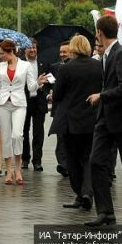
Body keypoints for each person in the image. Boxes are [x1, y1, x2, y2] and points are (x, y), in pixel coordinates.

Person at [85, 15, 122, 228]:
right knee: (96, 162)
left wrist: (101, 96)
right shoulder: (106, 55)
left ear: (99, 32)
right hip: (105, 119)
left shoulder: (121, 54)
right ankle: (106, 212)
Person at [0, 40, 47, 185]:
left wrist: (39, 82)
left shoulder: (25, 65)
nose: (0, 56)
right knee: (6, 138)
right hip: (3, 104)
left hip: (19, 104)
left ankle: (18, 168)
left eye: (2, 53)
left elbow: (30, 87)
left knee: (17, 135)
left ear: (10, 51)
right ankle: (9, 170)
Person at [49, 35, 102, 211]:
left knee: (72, 159)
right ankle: (87, 192)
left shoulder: (66, 68)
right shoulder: (98, 66)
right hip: (92, 118)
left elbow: (57, 95)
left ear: (72, 48)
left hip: (70, 121)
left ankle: (80, 194)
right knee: (88, 157)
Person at [21, 38, 49, 172]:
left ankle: (37, 161)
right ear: (24, 49)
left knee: (38, 133)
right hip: (24, 102)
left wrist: (46, 88)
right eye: (30, 48)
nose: (32, 50)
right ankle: (25, 159)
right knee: (23, 132)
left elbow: (50, 81)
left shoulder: (44, 63)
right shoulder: (20, 64)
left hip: (39, 102)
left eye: (34, 47)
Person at [47, 40, 71, 177]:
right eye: (61, 52)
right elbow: (48, 84)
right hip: (59, 109)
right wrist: (49, 94)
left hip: (73, 108)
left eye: (65, 52)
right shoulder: (54, 67)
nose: (62, 54)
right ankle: (63, 164)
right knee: (61, 137)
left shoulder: (76, 67)